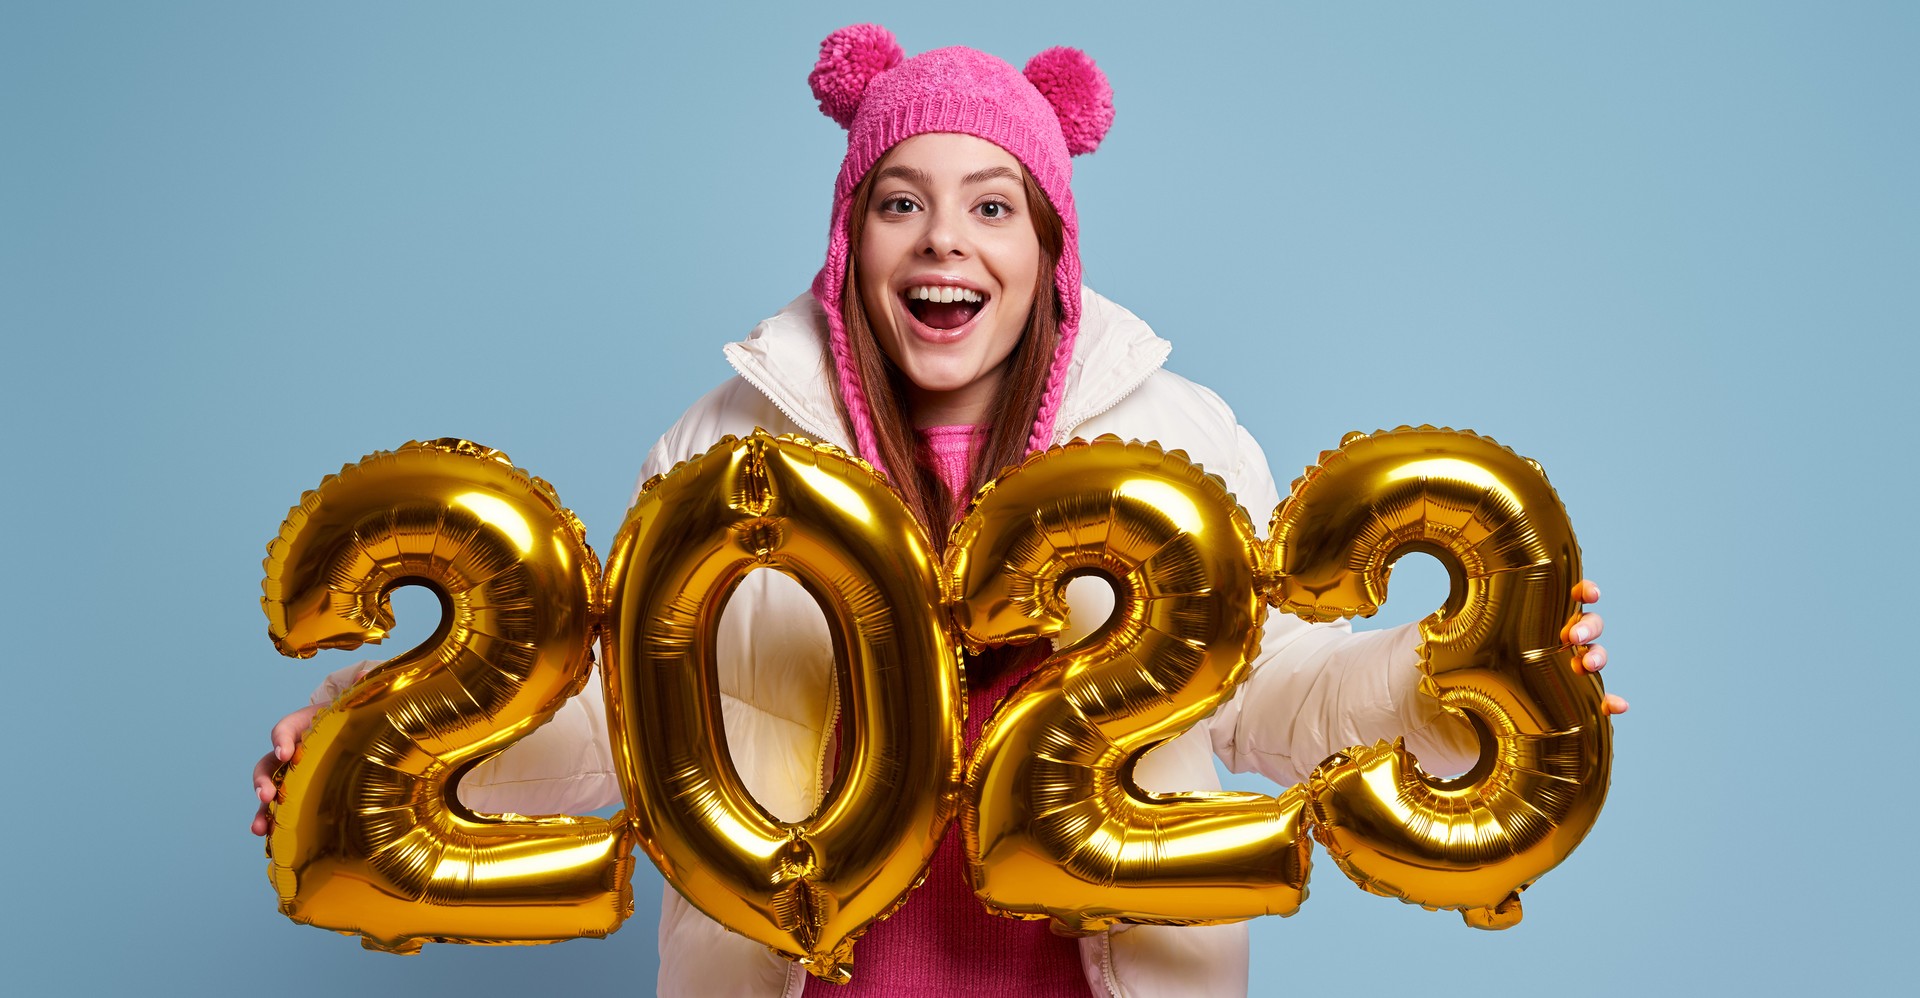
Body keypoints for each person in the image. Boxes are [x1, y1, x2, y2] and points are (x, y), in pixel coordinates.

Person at [250, 25, 1625, 997]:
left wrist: (1468, 686)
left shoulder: (1176, 436)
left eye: (990, 206)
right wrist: (382, 743)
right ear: (851, 238)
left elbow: (1274, 697)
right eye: (900, 202)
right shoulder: (725, 442)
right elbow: (622, 721)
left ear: (1046, 248)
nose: (943, 241)